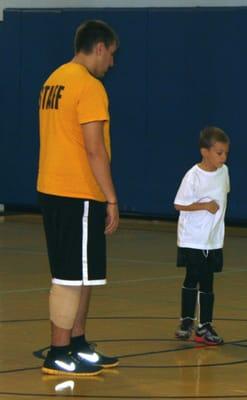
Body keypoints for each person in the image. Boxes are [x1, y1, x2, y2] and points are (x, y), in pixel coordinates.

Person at [37, 20, 120, 376]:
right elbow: (94, 149)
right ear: (99, 47)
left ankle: (77, 343)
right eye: (112, 55)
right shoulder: (88, 86)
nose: (112, 64)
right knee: (70, 276)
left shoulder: (53, 79)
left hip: (53, 188)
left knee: (84, 274)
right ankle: (58, 351)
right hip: (77, 191)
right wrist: (111, 198)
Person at [173, 126, 230, 345]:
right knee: (192, 278)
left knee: (208, 281)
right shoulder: (193, 176)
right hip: (193, 239)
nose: (223, 157)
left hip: (213, 240)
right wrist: (204, 206)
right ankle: (187, 320)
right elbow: (179, 204)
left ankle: (204, 326)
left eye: (225, 153)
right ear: (204, 152)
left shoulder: (224, 172)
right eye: (219, 153)